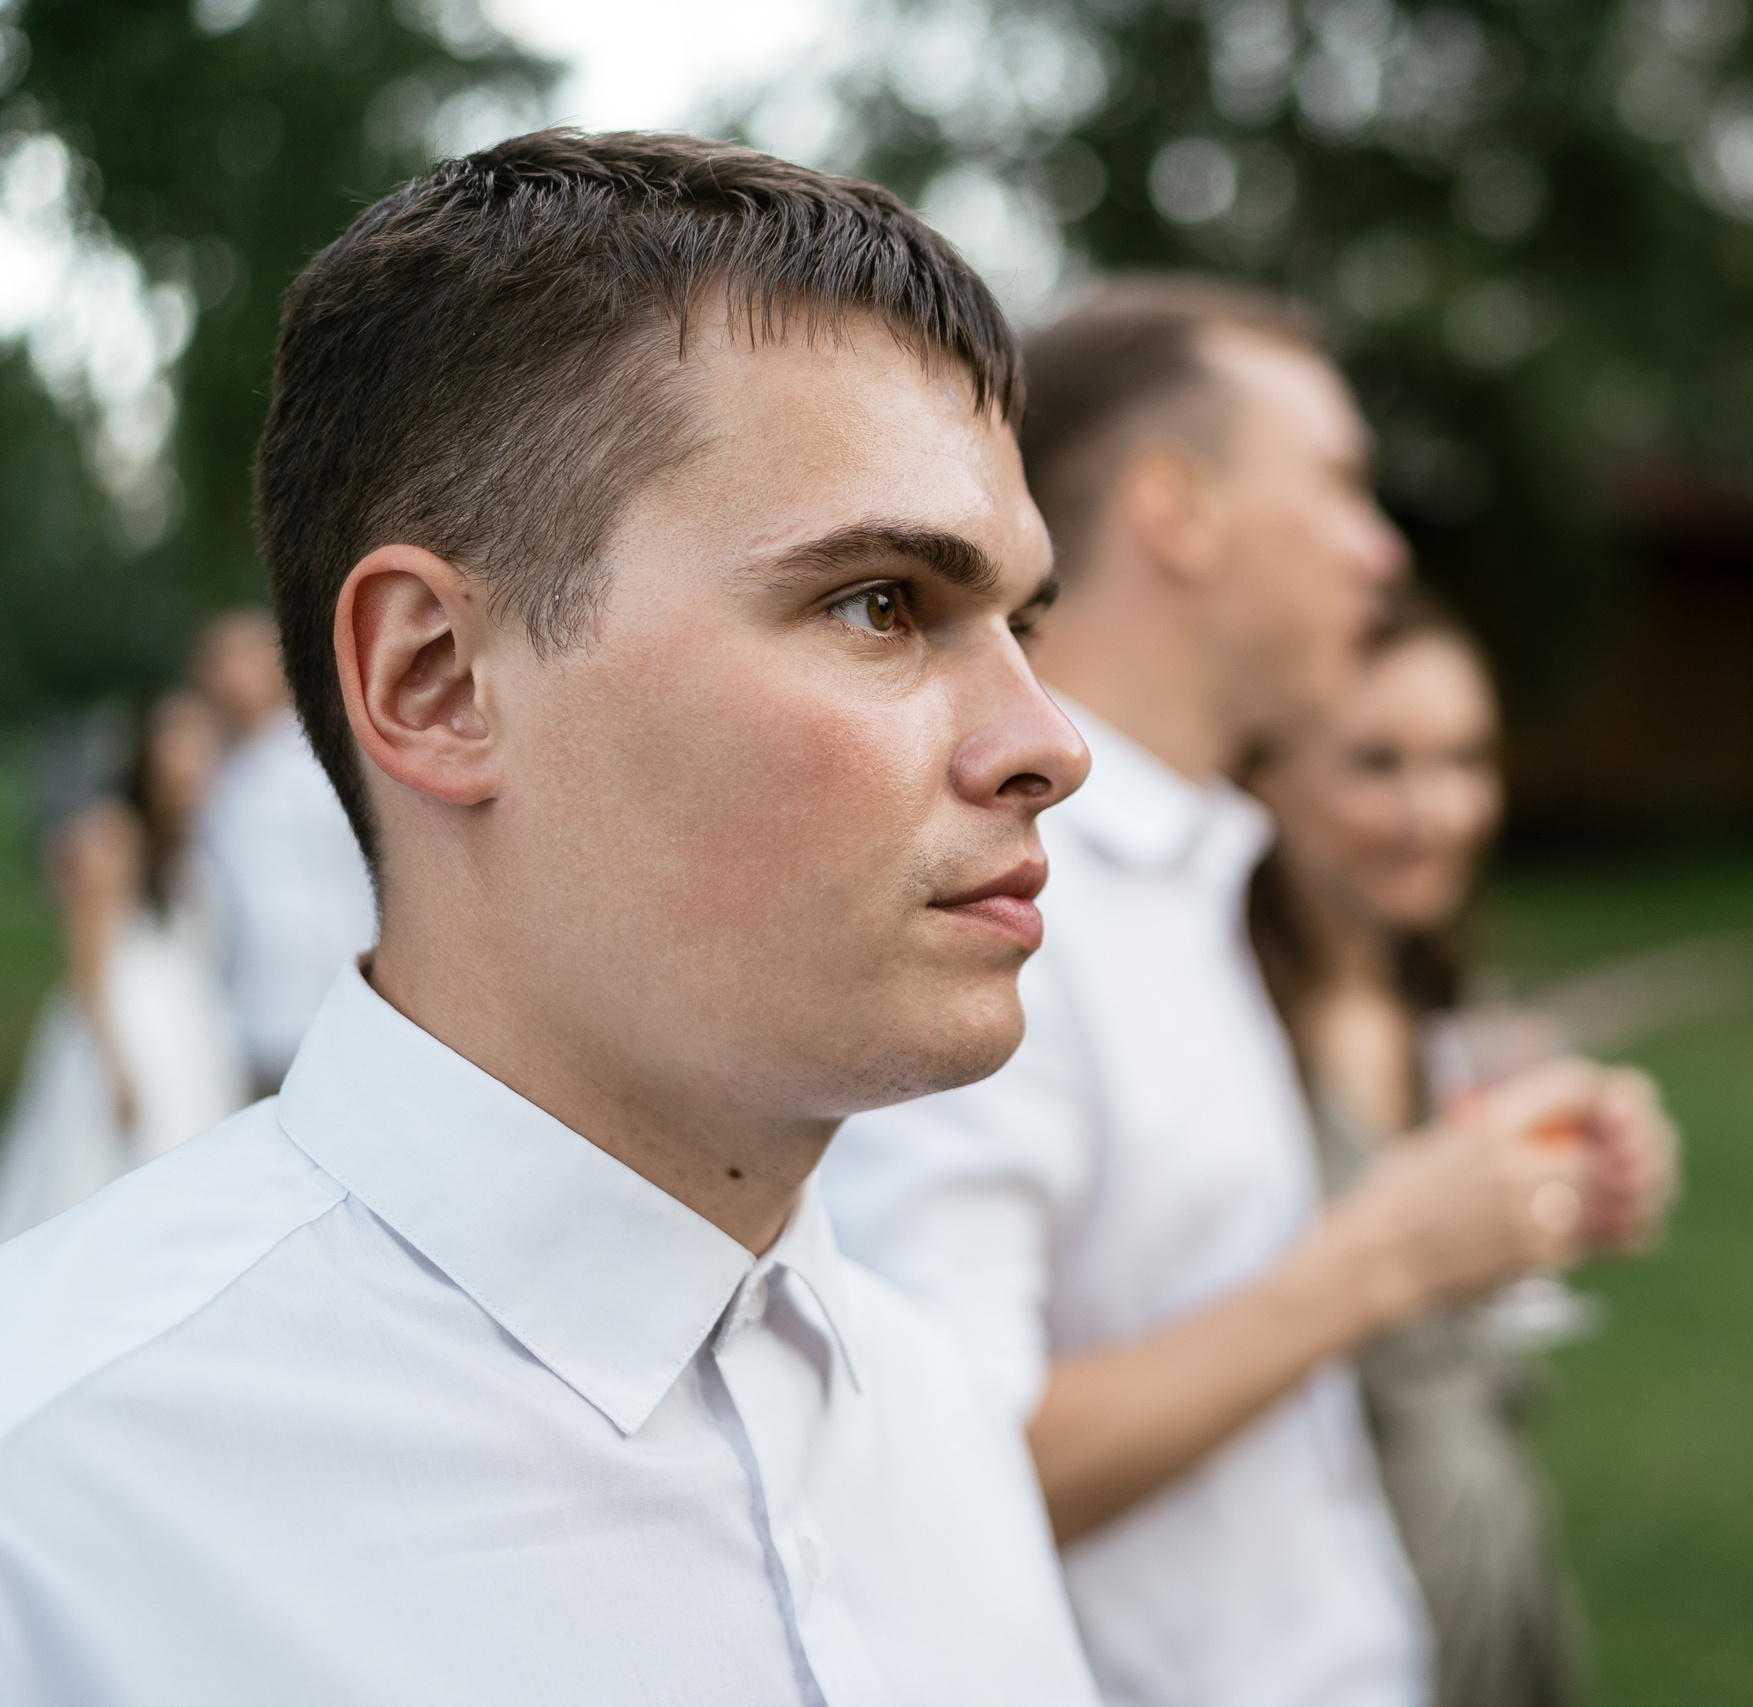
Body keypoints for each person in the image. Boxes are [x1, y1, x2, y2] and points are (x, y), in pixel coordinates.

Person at [0, 130, 1102, 1706]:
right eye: (880, 602)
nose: (1052, 741)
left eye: (1023, 622)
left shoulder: (932, 1415)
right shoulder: (53, 1503)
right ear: (436, 680)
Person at [824, 278, 1675, 1707]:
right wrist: (1379, 1259)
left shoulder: (1198, 868)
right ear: (1180, 508)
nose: (1379, 548)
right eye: (1338, 483)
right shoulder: (1000, 903)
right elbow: (935, 1477)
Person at [1244, 588, 1679, 1707]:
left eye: (1464, 759)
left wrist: (1600, 1173)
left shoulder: (1440, 994)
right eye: (1377, 763)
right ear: (1268, 774)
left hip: (1482, 1549)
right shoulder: (1223, 1034)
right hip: (1304, 1597)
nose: (1432, 811)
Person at [0, 693, 250, 1240]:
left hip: (189, 1041)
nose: (193, 765)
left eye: (204, 750)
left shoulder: (198, 843)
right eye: (180, 748)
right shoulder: (112, 838)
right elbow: (86, 963)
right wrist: (115, 1066)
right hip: (126, 1038)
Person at [191, 608, 379, 1093]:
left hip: (337, 995)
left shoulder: (330, 750)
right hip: (249, 1012)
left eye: (241, 658)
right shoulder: (209, 769)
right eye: (217, 663)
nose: (227, 676)